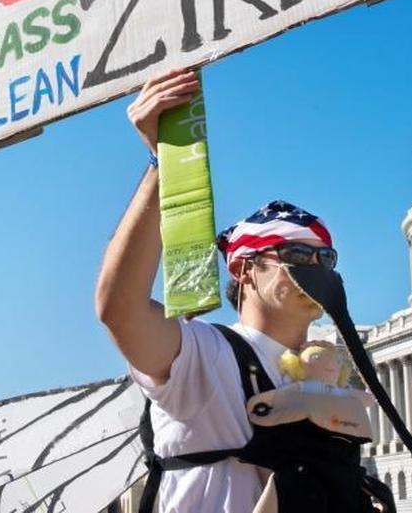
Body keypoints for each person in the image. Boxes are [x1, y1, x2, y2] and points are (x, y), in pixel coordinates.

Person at [95, 68, 342, 513]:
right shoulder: (207, 355)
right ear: (246, 269)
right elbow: (121, 309)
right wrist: (164, 163)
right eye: (298, 257)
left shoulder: (327, 374)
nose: (317, 270)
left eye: (326, 259)